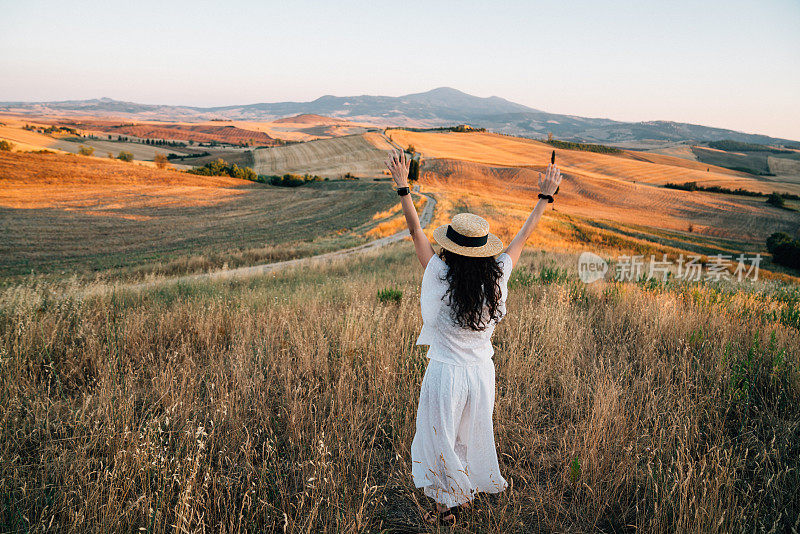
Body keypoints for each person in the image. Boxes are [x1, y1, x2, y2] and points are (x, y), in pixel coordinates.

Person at [384, 150, 563, 524]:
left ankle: (446, 507)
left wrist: (403, 187)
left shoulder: (439, 275)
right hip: (481, 375)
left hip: (445, 375)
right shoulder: (496, 278)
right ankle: (462, 496)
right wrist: (544, 199)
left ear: (450, 248)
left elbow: (416, 232)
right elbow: (522, 237)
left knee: (440, 439)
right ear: (484, 250)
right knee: (467, 434)